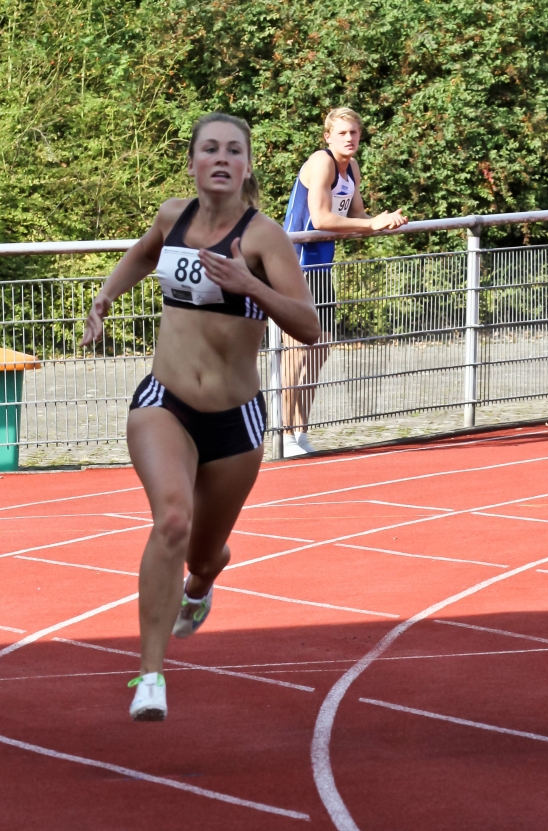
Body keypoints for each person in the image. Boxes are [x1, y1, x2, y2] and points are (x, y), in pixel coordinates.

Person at [80, 113, 321, 721]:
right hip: (165, 400)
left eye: (232, 150)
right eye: (208, 148)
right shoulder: (173, 217)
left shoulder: (265, 238)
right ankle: (151, 674)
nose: (220, 158)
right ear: (192, 162)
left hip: (234, 421)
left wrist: (249, 284)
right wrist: (105, 298)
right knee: (171, 519)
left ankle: (203, 582)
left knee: (203, 553)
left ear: (245, 166)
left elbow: (309, 327)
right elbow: (141, 255)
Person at [280, 107, 407, 456]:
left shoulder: (351, 169)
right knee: (296, 353)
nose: (350, 139)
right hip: (294, 267)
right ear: (327, 137)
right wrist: (369, 225)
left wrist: (384, 221)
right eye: (342, 133)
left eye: (354, 133)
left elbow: (357, 216)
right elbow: (320, 217)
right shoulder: (320, 163)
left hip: (321, 268)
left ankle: (300, 430)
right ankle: (285, 433)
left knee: (320, 350)